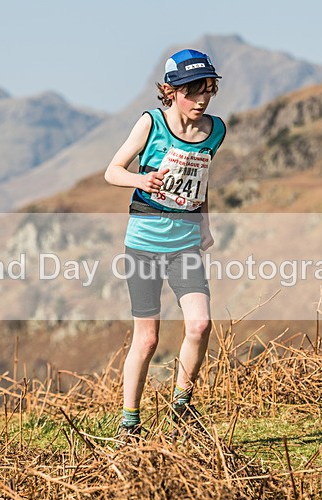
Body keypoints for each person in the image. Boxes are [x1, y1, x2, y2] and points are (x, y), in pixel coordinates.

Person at [104, 49, 226, 441]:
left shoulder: (216, 130)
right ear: (171, 91)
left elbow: (201, 181)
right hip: (143, 242)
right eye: (192, 92)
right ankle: (129, 423)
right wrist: (141, 180)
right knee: (148, 339)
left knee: (200, 325)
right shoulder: (151, 123)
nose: (201, 100)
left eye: (207, 90)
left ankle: (181, 409)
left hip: (186, 243)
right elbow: (112, 171)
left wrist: (205, 225)